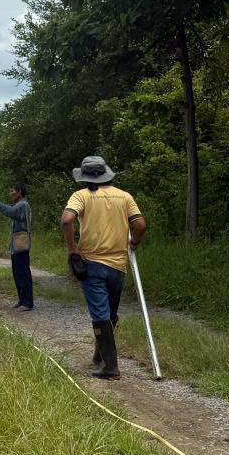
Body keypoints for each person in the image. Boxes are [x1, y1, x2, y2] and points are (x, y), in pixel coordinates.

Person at [60, 156, 146, 379]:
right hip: (118, 265)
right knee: (110, 312)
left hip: (92, 263)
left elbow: (67, 219)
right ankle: (99, 356)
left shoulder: (82, 195)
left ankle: (111, 368)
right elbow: (139, 224)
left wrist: (72, 248)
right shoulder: (124, 196)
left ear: (85, 177)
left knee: (100, 313)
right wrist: (134, 242)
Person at [0, 185, 34, 311]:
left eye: (12, 191)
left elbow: (11, 212)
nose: (10, 193)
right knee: (18, 273)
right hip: (17, 246)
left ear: (20, 192)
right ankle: (22, 300)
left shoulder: (22, 205)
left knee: (22, 274)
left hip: (20, 246)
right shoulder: (20, 204)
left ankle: (27, 303)